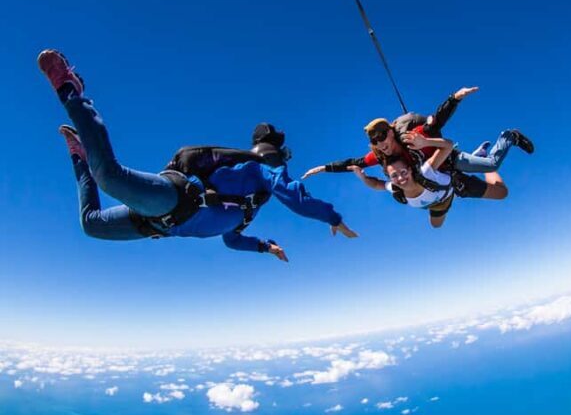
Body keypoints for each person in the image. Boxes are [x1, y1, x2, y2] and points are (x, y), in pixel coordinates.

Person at [38, 49, 357, 260]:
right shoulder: (260, 171)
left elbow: (230, 239)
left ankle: (80, 155)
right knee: (109, 176)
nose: (281, 162)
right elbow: (297, 198)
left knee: (91, 225)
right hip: (173, 199)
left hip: (158, 225)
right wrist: (333, 216)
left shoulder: (248, 207)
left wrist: (265, 247)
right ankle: (71, 91)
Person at [301, 86, 534, 180]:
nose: (379, 142)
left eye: (382, 135)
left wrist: (454, 99)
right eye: (374, 140)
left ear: (391, 132)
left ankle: (508, 136)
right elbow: (354, 162)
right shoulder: (379, 156)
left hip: (449, 159)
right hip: (436, 173)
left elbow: (436, 120)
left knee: (491, 165)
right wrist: (323, 168)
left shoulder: (410, 137)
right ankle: (478, 151)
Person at [349, 131, 508, 228]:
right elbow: (376, 184)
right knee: (436, 225)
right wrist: (362, 177)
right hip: (440, 202)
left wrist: (425, 142)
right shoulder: (396, 187)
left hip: (455, 184)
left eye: (403, 172)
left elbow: (448, 146)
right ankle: (479, 157)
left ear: (410, 170)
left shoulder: (426, 172)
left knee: (502, 193)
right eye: (394, 176)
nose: (400, 178)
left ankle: (486, 158)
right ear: (390, 178)